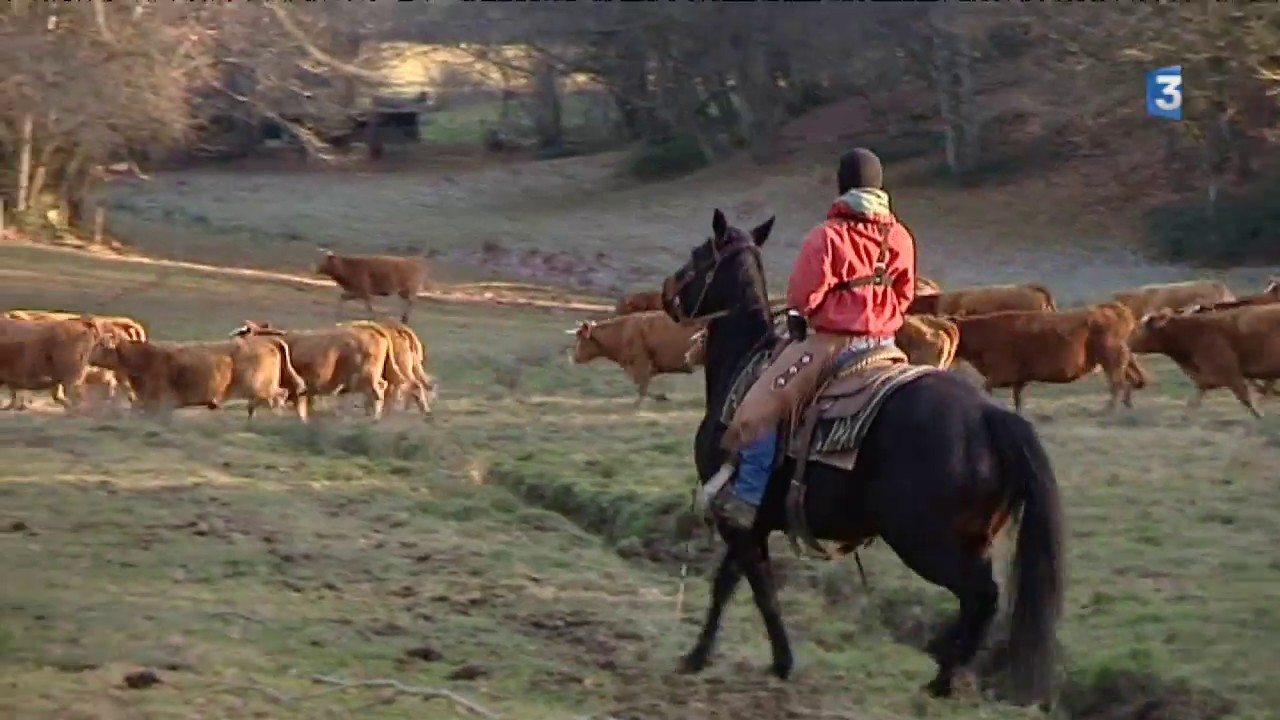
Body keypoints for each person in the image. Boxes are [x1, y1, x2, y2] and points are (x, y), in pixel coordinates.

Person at [711, 147, 918, 532]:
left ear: (842, 185)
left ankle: (748, 496)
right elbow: (904, 295)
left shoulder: (827, 237)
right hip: (887, 347)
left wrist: (806, 317)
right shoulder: (901, 237)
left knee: (764, 401)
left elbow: (804, 298)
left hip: (833, 345)